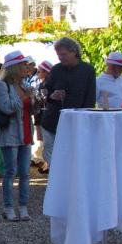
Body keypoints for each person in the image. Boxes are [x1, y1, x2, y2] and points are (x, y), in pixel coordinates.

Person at [0, 51, 36, 222]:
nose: (26, 68)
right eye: (23, 65)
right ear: (14, 68)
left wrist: (34, 101)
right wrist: (24, 97)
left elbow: (31, 110)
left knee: (25, 173)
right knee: (10, 172)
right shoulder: (2, 86)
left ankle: (24, 206)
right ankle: (8, 207)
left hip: (26, 131)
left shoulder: (25, 85)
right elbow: (6, 107)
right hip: (10, 133)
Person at [41, 37, 96, 166]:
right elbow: (45, 92)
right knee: (51, 153)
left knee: (73, 156)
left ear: (74, 52)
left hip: (76, 120)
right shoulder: (56, 69)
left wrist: (85, 119)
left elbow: (90, 98)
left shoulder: (87, 70)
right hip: (53, 120)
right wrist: (52, 96)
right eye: (58, 54)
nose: (60, 57)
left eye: (63, 54)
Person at [33, 60, 53, 173]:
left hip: (46, 115)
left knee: (48, 142)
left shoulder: (48, 84)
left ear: (46, 72)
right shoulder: (42, 84)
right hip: (41, 114)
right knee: (44, 142)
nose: (37, 73)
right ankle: (47, 164)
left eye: (40, 71)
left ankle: (49, 165)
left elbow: (43, 100)